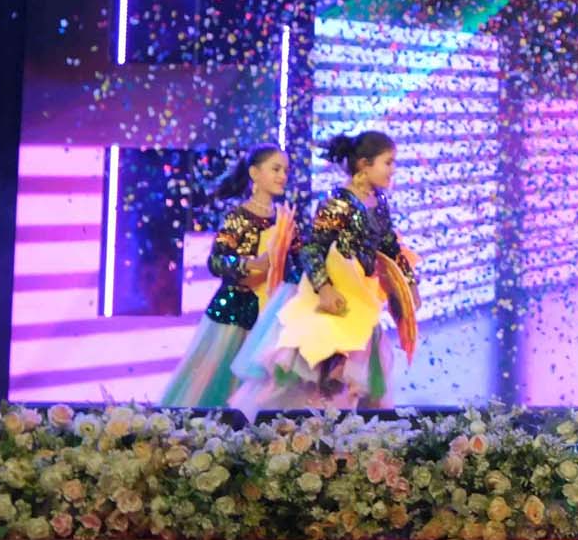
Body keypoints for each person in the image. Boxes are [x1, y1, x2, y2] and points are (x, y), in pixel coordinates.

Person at [233, 131, 419, 414]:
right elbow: (311, 249)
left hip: (359, 304)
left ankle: (350, 433)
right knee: (318, 380)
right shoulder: (337, 203)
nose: (393, 170)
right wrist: (326, 288)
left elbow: (390, 246)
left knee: (358, 384)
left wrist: (408, 284)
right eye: (388, 162)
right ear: (364, 165)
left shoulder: (378, 201)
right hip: (331, 303)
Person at [162, 146, 290, 410]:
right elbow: (217, 261)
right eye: (276, 169)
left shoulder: (283, 218)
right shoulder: (238, 216)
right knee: (218, 382)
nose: (282, 176)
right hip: (235, 312)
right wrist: (252, 264)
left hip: (270, 312)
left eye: (285, 171)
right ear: (254, 173)